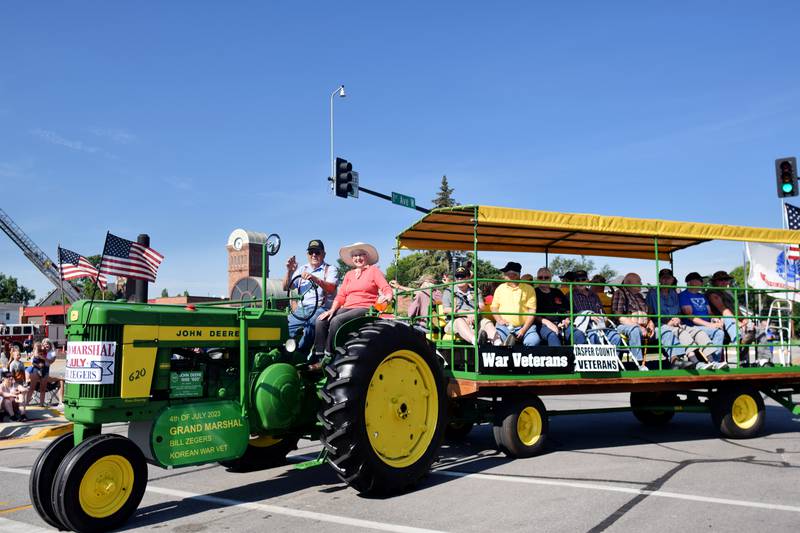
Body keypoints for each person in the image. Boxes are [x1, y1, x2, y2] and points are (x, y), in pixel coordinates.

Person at [314, 242, 392, 361]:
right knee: (321, 320)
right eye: (355, 256)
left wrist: (387, 296)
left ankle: (329, 354)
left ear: (367, 257)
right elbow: (341, 296)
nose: (358, 258)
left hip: (365, 307)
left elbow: (386, 288)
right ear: (352, 259)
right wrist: (331, 310)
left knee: (336, 320)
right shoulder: (349, 274)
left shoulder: (373, 271)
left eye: (361, 254)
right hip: (348, 307)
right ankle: (318, 356)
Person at [283, 239, 339, 353]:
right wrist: (289, 271)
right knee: (284, 328)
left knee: (312, 325)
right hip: (301, 310)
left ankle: (301, 356)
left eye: (317, 252)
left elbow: (331, 288)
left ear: (323, 254)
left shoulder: (331, 269)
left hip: (321, 308)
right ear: (307, 254)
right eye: (311, 252)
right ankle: (283, 352)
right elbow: (285, 287)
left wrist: (315, 278)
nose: (314, 255)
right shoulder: (302, 269)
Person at [678, 272, 727, 369]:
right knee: (719, 333)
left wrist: (715, 319)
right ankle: (715, 361)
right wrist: (710, 325)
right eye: (700, 280)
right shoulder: (683, 295)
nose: (702, 282)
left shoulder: (702, 296)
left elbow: (709, 313)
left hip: (706, 325)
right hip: (692, 327)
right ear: (690, 282)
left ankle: (713, 361)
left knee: (720, 330)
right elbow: (689, 316)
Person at [441, 266, 499, 345]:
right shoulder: (449, 291)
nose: (460, 279)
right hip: (455, 322)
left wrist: (474, 314)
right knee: (459, 321)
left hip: (475, 321)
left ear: (468, 278)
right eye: (458, 277)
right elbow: (446, 310)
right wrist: (467, 313)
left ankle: (499, 344)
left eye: (462, 276)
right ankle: (476, 341)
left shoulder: (476, 290)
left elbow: (482, 306)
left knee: (487, 322)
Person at [706, 270, 754, 362]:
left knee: (758, 330)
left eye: (726, 279)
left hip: (734, 322)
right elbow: (723, 310)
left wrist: (744, 320)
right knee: (729, 320)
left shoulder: (730, 292)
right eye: (720, 280)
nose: (724, 282)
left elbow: (737, 309)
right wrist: (738, 322)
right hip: (720, 323)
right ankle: (739, 342)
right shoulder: (712, 293)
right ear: (714, 282)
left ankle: (764, 360)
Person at [610, 273, 654, 368]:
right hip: (625, 327)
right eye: (639, 281)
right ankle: (638, 363)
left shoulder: (640, 296)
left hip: (645, 327)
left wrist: (650, 323)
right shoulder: (620, 293)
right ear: (629, 282)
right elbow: (618, 316)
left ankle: (675, 360)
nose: (641, 283)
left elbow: (647, 314)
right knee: (634, 330)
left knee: (665, 330)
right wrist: (638, 327)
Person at [490, 262, 540, 346]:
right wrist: (500, 320)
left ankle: (522, 356)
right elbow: (494, 308)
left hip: (525, 327)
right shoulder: (500, 288)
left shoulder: (529, 289)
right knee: (498, 341)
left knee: (533, 341)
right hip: (504, 326)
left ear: (513, 275)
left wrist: (523, 330)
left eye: (505, 273)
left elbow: (532, 311)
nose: (503, 275)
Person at [532, 267, 569, 346]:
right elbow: (531, 314)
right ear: (537, 279)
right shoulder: (533, 292)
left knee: (577, 334)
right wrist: (548, 323)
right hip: (542, 325)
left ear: (550, 279)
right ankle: (560, 358)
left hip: (562, 324)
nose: (543, 279)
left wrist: (566, 319)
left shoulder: (558, 292)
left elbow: (568, 309)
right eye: (540, 277)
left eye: (546, 277)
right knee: (553, 335)